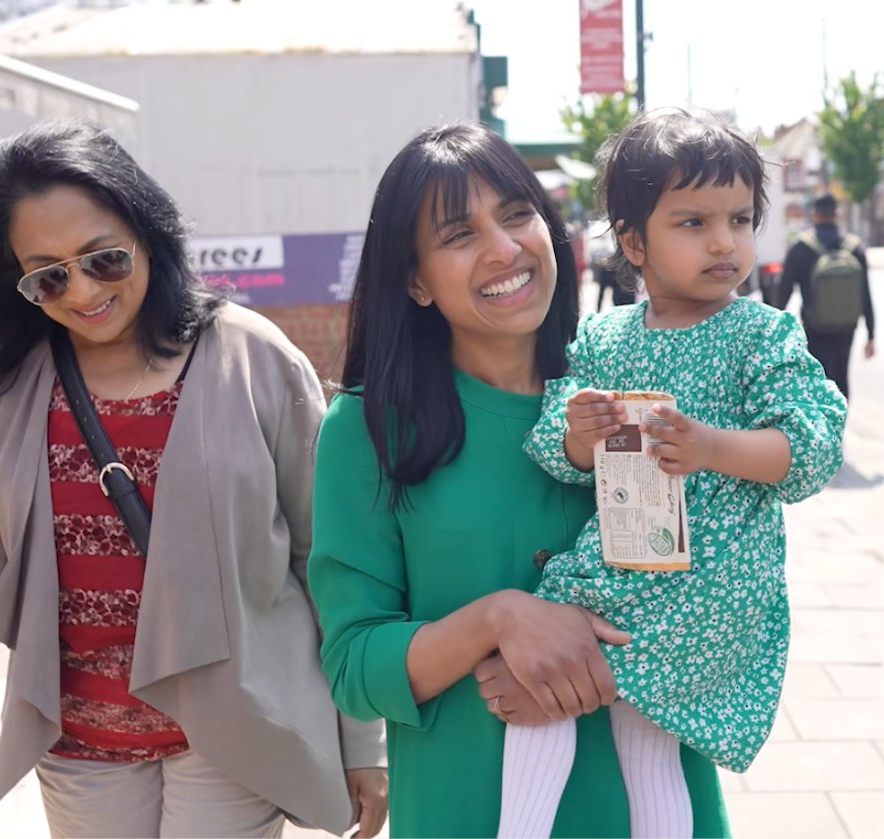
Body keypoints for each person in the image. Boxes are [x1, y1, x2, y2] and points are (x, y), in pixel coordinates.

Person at [0, 122, 386, 839]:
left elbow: (328, 559)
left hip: (234, 735)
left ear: (149, 232)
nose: (82, 290)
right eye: (48, 274)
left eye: (104, 258)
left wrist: (363, 743)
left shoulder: (253, 357)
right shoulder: (8, 389)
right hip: (78, 749)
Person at [308, 123, 732, 837]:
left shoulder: (639, 384)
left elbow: (733, 587)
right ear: (413, 279)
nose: (505, 249)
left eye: (515, 213)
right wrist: (496, 620)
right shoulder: (366, 430)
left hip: (653, 808)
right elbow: (354, 663)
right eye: (458, 234)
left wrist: (587, 666)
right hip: (463, 806)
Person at [505, 109, 847, 837]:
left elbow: (809, 447)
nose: (725, 241)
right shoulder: (603, 337)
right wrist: (577, 435)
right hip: (627, 565)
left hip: (707, 590)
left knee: (592, 718)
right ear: (634, 241)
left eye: (740, 218)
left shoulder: (759, 333)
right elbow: (552, 444)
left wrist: (714, 447)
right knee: (583, 713)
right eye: (693, 222)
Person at [775, 194, 876, 400]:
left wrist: (775, 332)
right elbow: (865, 294)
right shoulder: (854, 247)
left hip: (815, 327)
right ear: (837, 214)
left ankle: (822, 429)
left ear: (814, 214)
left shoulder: (800, 247)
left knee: (819, 380)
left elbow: (783, 292)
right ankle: (839, 429)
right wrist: (871, 334)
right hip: (847, 326)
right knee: (842, 378)